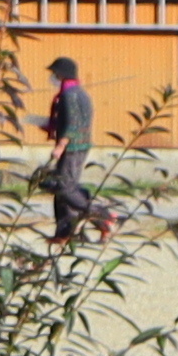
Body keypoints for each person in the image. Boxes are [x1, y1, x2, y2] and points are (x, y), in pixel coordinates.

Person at [44, 54, 103, 245]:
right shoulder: (74, 93)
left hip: (73, 147)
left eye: (54, 73)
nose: (52, 77)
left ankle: (102, 217)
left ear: (61, 74)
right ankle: (64, 233)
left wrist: (61, 146)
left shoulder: (71, 95)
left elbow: (73, 123)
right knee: (61, 191)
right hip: (76, 144)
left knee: (65, 188)